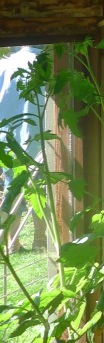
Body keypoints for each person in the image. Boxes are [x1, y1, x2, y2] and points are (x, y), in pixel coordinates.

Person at [0, 46, 47, 252]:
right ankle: (40, 240)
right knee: (40, 189)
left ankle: (13, 244)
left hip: (7, 134)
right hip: (37, 132)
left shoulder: (4, 65)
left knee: (12, 187)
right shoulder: (43, 62)